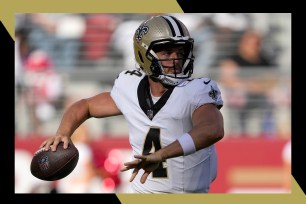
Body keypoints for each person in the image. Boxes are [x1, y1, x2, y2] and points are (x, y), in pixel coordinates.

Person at [39, 15, 224, 193]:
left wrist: (163, 154)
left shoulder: (196, 89)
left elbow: (212, 129)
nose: (176, 59)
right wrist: (63, 133)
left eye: (180, 51)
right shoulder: (130, 86)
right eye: (167, 52)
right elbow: (85, 106)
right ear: (144, 55)